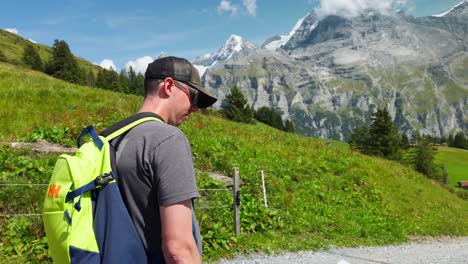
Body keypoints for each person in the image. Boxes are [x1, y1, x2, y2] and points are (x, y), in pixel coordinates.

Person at [112, 56, 217, 263]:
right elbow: (178, 249)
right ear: (168, 86)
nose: (195, 108)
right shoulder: (168, 139)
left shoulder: (112, 138)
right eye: (194, 97)